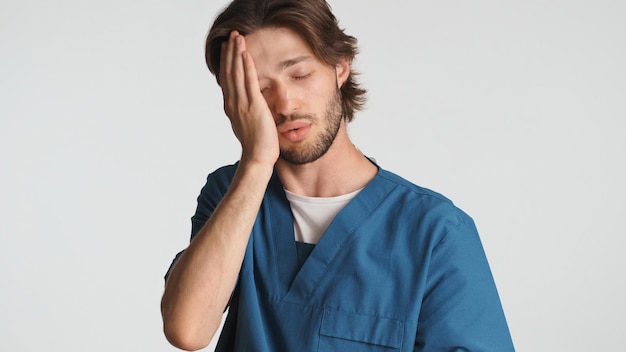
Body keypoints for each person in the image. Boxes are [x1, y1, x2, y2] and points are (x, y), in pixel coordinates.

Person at [161, 0, 515, 350]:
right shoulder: (230, 195)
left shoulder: (434, 232)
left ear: (340, 66)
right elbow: (187, 330)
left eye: (300, 75)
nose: (285, 104)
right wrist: (255, 164)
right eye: (259, 88)